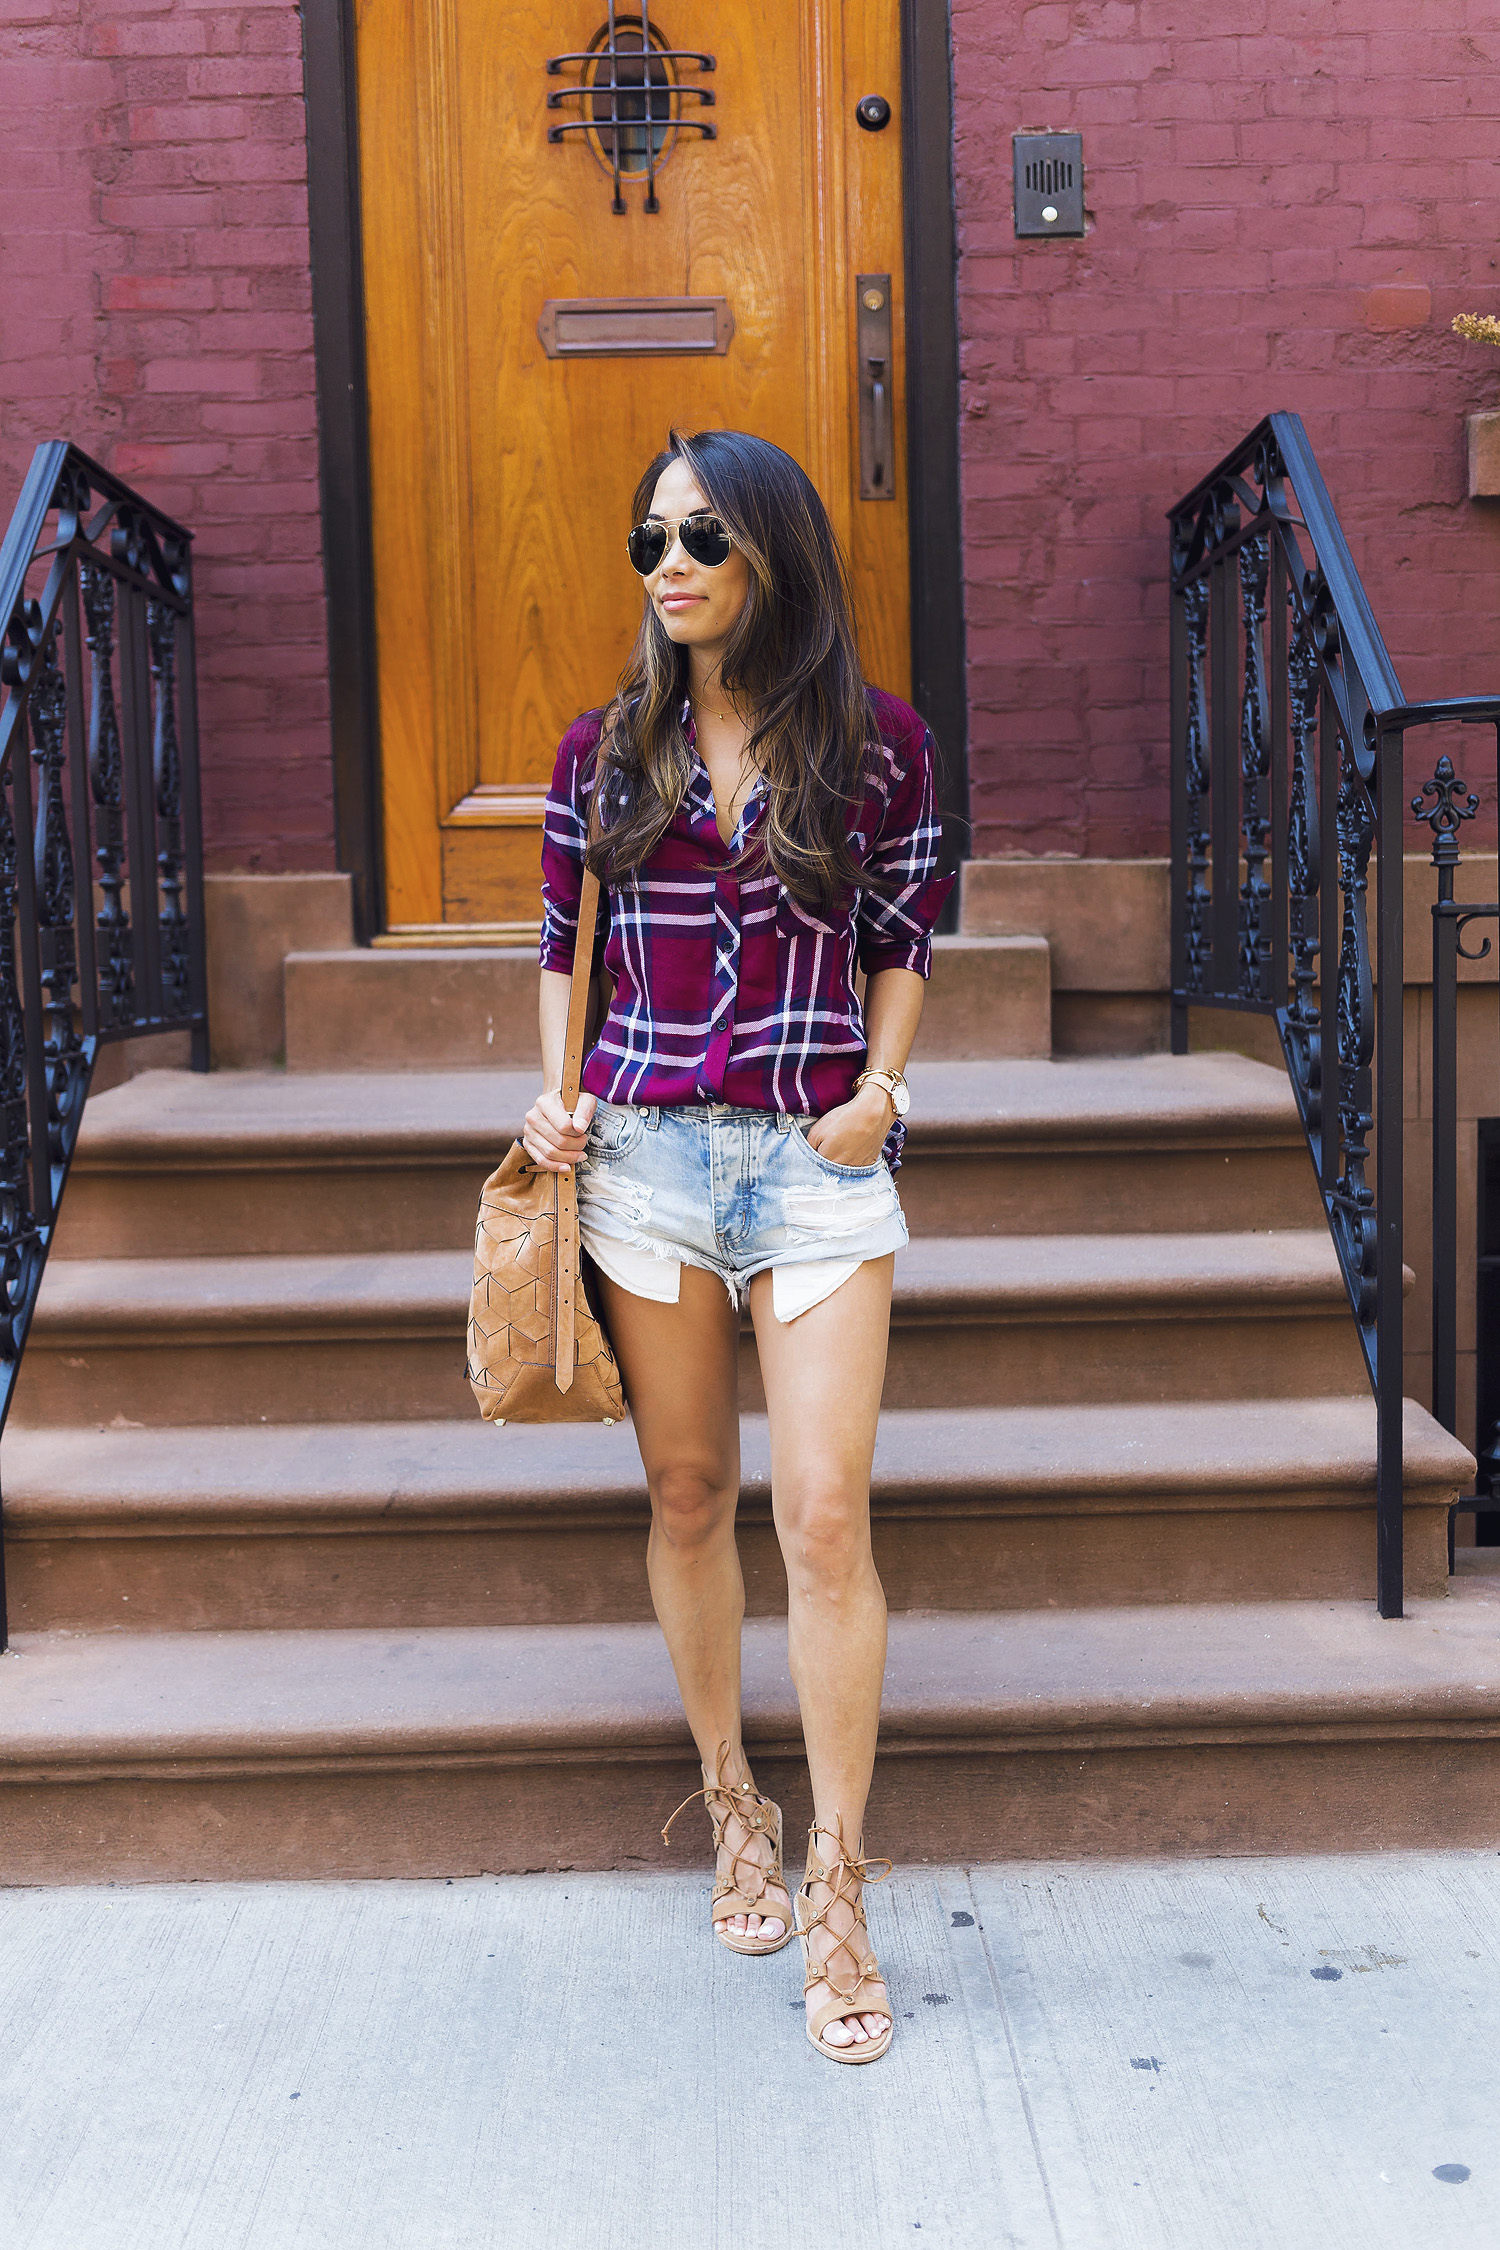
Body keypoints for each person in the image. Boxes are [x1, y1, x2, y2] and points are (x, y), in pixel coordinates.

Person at [523, 427, 951, 2064]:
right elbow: (564, 944)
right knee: (690, 1492)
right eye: (649, 540)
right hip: (643, 1163)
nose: (672, 564)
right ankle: (732, 1804)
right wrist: (550, 1097)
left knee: (825, 1515)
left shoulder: (882, 745)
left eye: (701, 533)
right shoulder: (602, 750)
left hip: (818, 1161)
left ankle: (841, 1888)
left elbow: (907, 939)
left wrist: (883, 1089)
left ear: (771, 544)